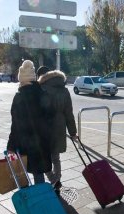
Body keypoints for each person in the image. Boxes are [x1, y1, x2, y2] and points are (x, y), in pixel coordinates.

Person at [7, 60, 53, 184]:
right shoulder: (43, 94)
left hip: (25, 143)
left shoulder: (19, 98)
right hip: (41, 144)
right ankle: (42, 199)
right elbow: (50, 119)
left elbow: (15, 126)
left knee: (21, 177)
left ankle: (31, 200)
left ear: (21, 79)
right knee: (39, 174)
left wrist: (11, 146)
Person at [37, 66, 77, 195]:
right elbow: (69, 113)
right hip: (59, 126)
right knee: (55, 157)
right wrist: (73, 132)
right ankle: (57, 182)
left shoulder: (41, 89)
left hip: (45, 127)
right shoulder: (64, 90)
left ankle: (54, 181)